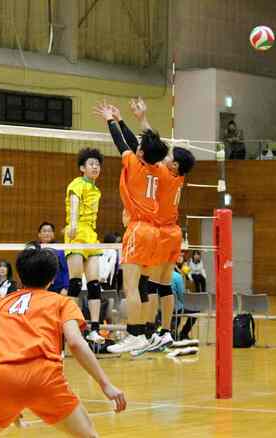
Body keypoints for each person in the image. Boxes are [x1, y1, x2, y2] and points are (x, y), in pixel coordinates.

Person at [0, 244, 126, 437]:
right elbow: (76, 343)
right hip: (44, 379)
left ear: (19, 276)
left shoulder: (1, 304)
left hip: (3, 379)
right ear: (52, 279)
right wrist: (105, 384)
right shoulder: (62, 302)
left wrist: (12, 397)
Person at [115, 98, 196, 355]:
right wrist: (139, 119)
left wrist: (138, 119)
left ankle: (145, 332)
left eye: (170, 156)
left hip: (157, 229)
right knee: (163, 285)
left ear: (174, 165)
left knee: (147, 286)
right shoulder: (177, 177)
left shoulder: (162, 172)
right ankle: (163, 331)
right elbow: (153, 147)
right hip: (173, 231)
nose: (167, 155)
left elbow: (150, 148)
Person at [95, 100, 168, 354]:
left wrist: (110, 120)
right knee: (143, 286)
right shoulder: (158, 169)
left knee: (131, 287)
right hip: (155, 233)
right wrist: (121, 119)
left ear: (140, 153)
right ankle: (144, 334)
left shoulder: (135, 164)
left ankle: (135, 335)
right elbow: (136, 144)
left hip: (138, 229)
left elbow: (121, 144)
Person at [64, 147, 106, 344]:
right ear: (82, 168)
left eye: (97, 164)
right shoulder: (77, 183)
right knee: (75, 283)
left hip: (91, 234)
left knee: (94, 283)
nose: (95, 167)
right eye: (91, 164)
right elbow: (74, 202)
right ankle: (70, 328)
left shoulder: (96, 189)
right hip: (77, 231)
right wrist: (72, 224)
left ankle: (95, 329)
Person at [37, 222, 69, 295]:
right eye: (44, 231)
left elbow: (66, 269)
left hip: (58, 288)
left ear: (53, 234)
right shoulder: (35, 250)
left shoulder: (60, 249)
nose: (47, 233)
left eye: (50, 231)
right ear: (39, 234)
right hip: (40, 287)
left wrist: (66, 287)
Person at [170, 259, 197, 341]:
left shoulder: (156, 276)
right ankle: (183, 333)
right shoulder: (177, 277)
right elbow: (182, 297)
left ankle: (171, 332)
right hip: (176, 308)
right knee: (194, 311)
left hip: (161, 308)